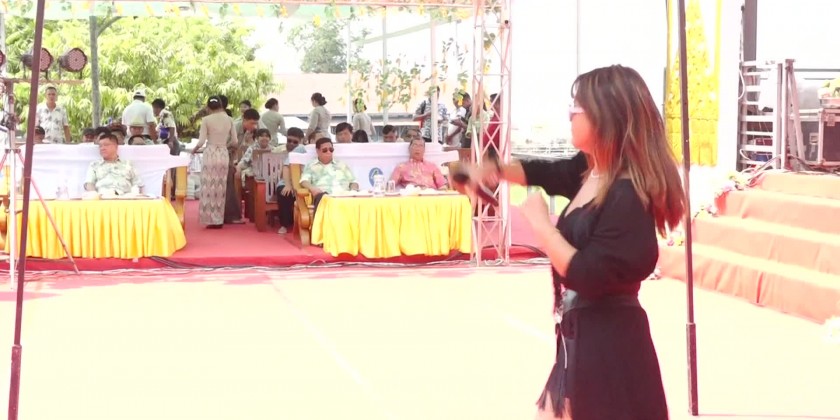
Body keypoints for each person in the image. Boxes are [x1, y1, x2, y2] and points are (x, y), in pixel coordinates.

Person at [463, 65, 685, 420]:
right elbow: (547, 172)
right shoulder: (593, 170)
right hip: (580, 335)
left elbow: (587, 273)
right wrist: (493, 170)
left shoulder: (627, 195)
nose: (570, 115)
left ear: (606, 117)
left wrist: (542, 225)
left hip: (610, 347)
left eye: (577, 108)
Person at [192, 96, 238, 228]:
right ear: (221, 105)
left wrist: (194, 150)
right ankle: (219, 219)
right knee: (220, 187)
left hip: (210, 153)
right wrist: (224, 146)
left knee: (208, 186)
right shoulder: (229, 119)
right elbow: (235, 141)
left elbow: (201, 141)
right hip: (223, 153)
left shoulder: (206, 120)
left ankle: (210, 219)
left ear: (208, 107)